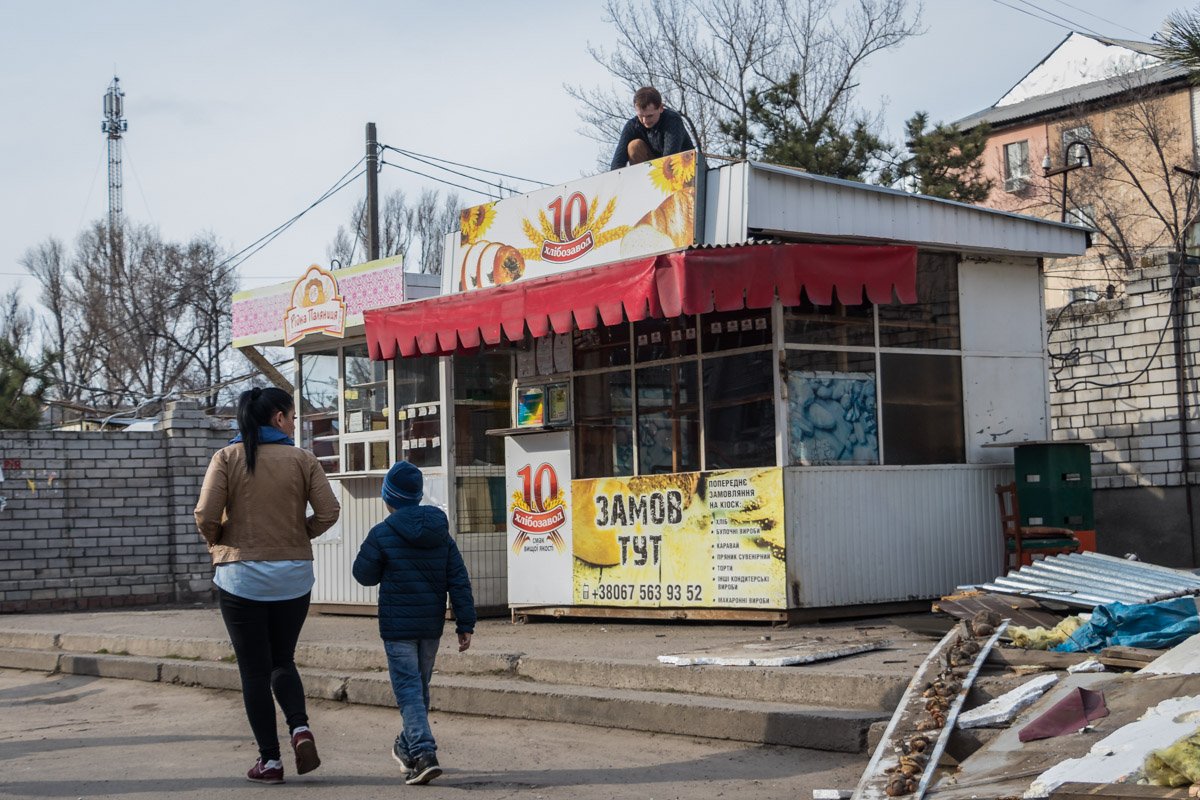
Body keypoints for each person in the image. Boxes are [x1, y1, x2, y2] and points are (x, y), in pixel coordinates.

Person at [194, 386, 340, 785]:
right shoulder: (303, 459)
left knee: (254, 673)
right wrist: (297, 536)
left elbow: (205, 514)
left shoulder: (226, 458)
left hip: (240, 578)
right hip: (293, 576)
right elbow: (329, 512)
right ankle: (300, 728)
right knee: (282, 660)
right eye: (293, 417)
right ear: (278, 418)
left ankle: (270, 762)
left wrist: (220, 541)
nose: (294, 424)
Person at [352, 460, 476, 786]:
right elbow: (458, 579)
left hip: (397, 629)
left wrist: (380, 560)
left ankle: (423, 753)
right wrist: (465, 624)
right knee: (418, 691)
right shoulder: (441, 534)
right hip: (430, 627)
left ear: (388, 498)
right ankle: (405, 747)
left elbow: (362, 575)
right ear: (418, 497)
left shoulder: (382, 533)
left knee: (409, 692)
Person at [610, 86, 694, 170]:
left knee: (667, 163)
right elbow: (616, 164)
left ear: (661, 108)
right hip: (653, 171)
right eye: (640, 116)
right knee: (634, 146)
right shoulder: (632, 126)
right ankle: (641, 179)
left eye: (649, 116)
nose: (645, 120)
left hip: (682, 168)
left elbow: (669, 158)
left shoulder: (672, 120)